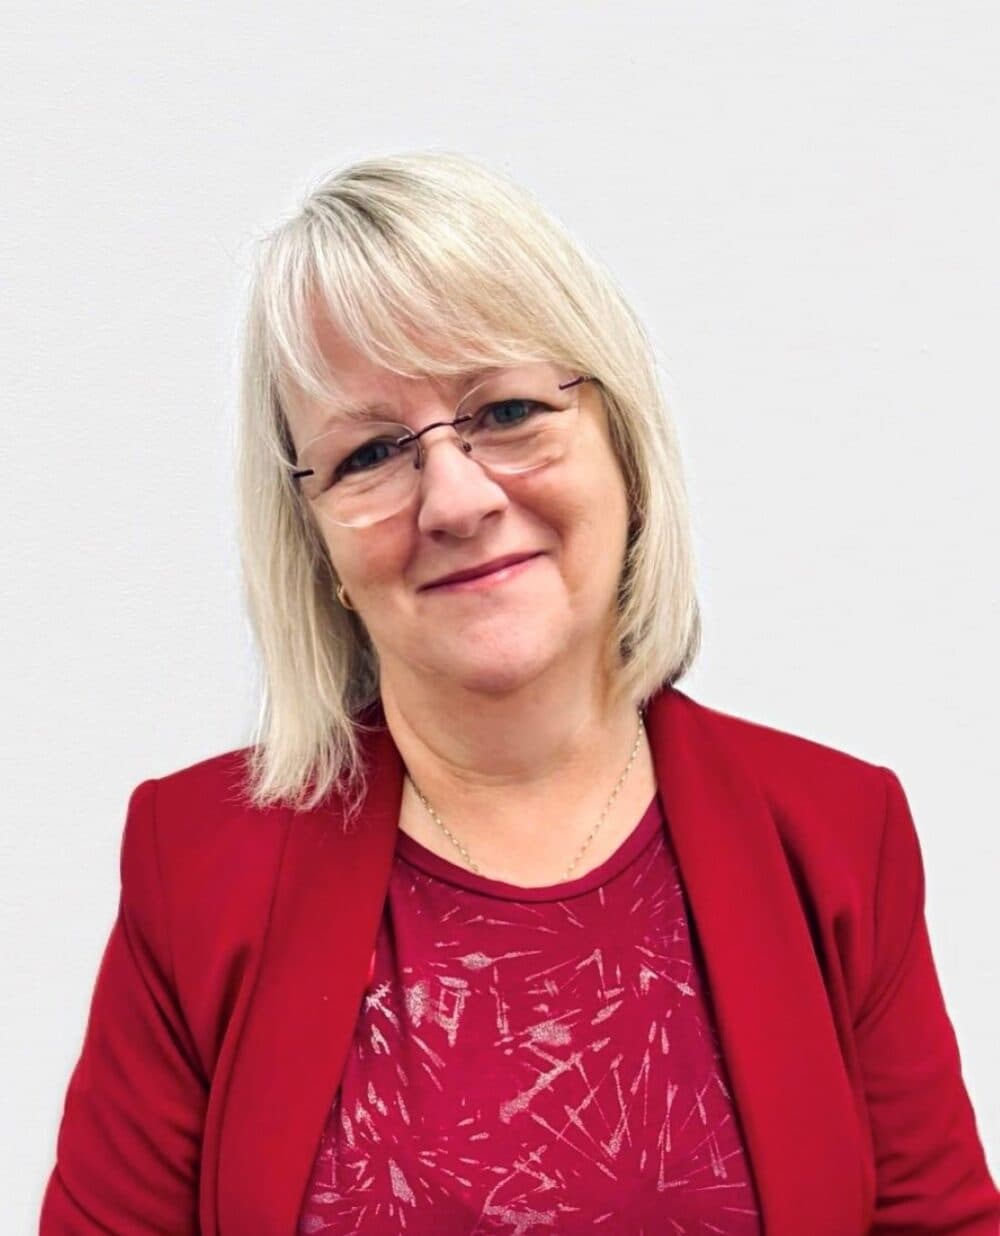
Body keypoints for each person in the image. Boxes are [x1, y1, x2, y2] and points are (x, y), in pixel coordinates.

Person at [40, 151, 998, 1236]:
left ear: (620, 445)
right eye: (370, 454)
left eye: (501, 411)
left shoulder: (832, 834)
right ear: (315, 549)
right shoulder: (196, 862)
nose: (452, 499)